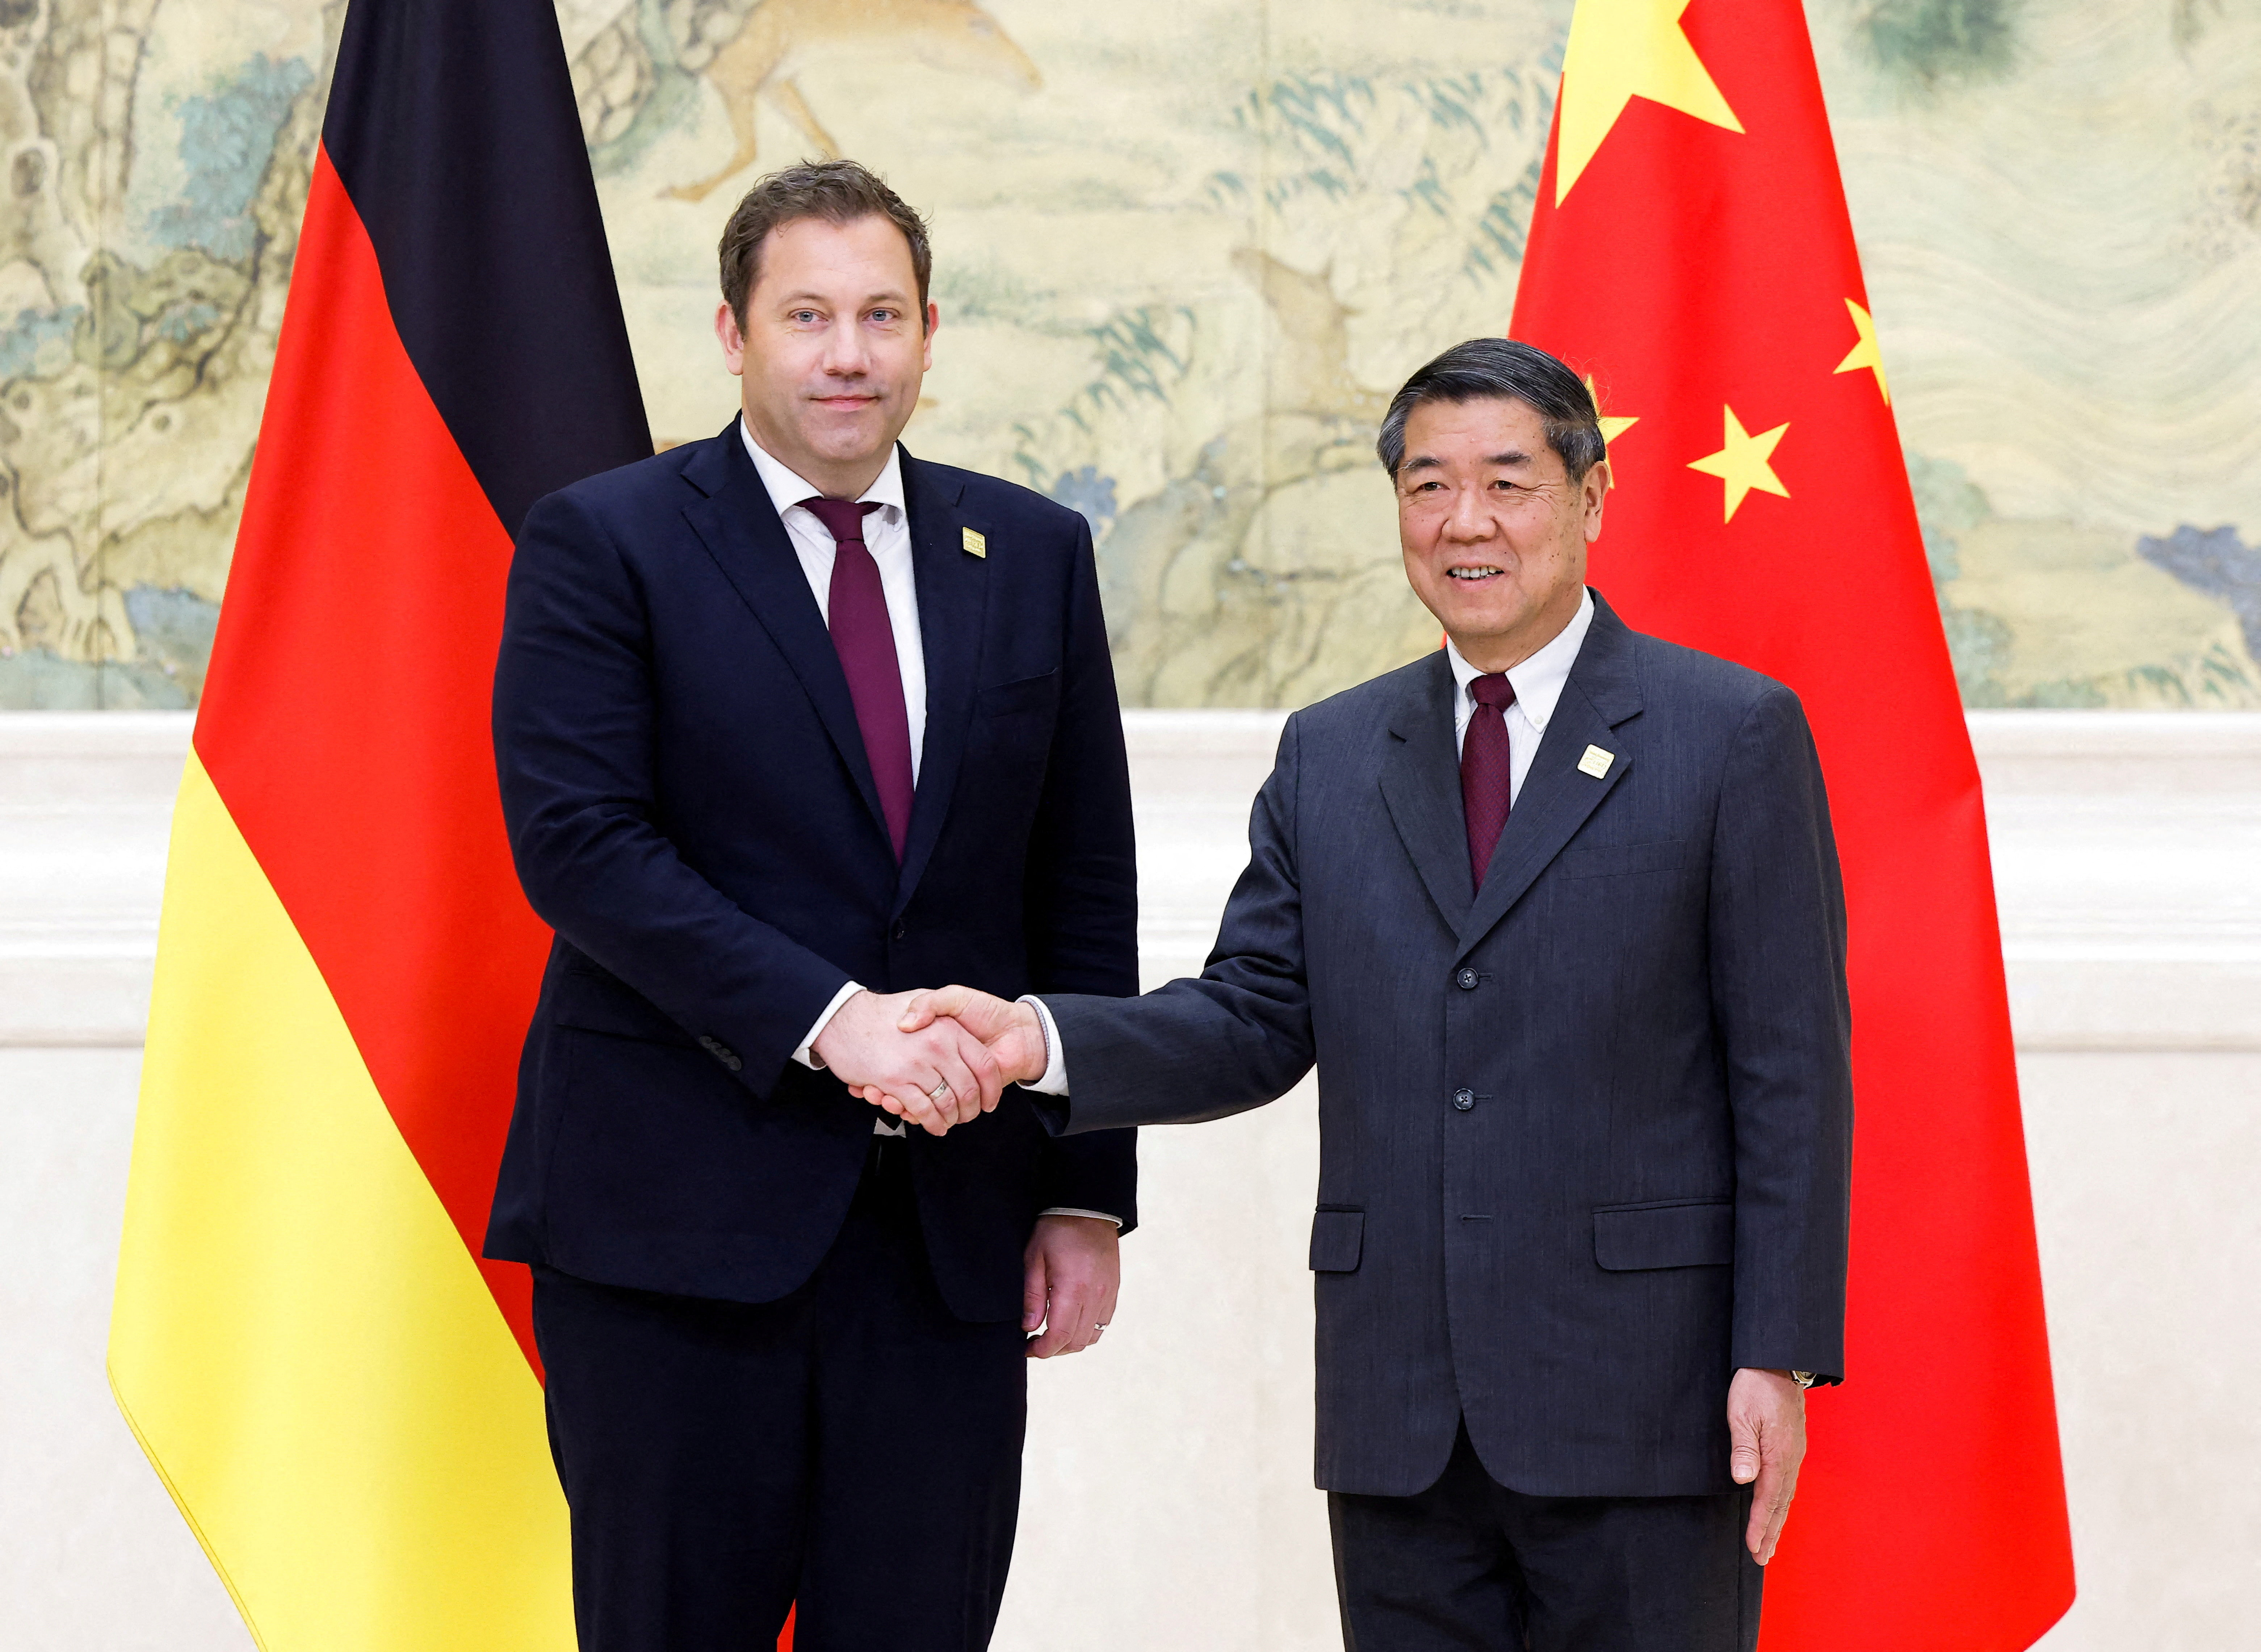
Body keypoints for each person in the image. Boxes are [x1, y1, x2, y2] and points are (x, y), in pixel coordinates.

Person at [893, 338, 1853, 1652]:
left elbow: (1790, 1071)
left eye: (1508, 482)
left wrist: (1779, 1351)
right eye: (1426, 485)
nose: (1465, 522)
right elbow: (1250, 1016)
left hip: (1647, 1397)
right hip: (1399, 1406)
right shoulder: (1334, 751)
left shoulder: (1727, 732)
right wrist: (1040, 1037)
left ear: (1592, 494)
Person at [483, 159, 1140, 1652]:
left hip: (947, 1242)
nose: (848, 354)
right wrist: (832, 1023)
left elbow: (1082, 881)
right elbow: (582, 845)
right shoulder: (609, 542)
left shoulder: (1031, 552)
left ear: (926, 334)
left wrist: (1085, 1188)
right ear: (732, 333)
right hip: (671, 1236)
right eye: (807, 316)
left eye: (881, 316)